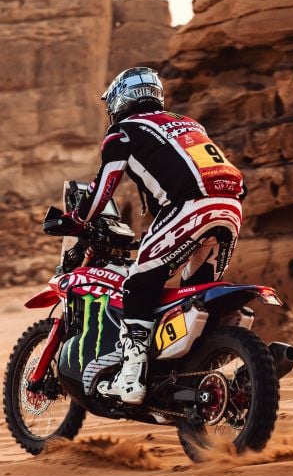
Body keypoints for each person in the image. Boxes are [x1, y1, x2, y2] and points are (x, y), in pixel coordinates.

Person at [59, 67, 246, 404]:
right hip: (230, 208)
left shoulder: (123, 133)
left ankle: (131, 377)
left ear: (120, 99)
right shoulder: (189, 124)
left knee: (138, 285)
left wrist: (76, 219)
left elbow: (102, 190)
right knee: (193, 292)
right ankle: (194, 376)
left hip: (189, 208)